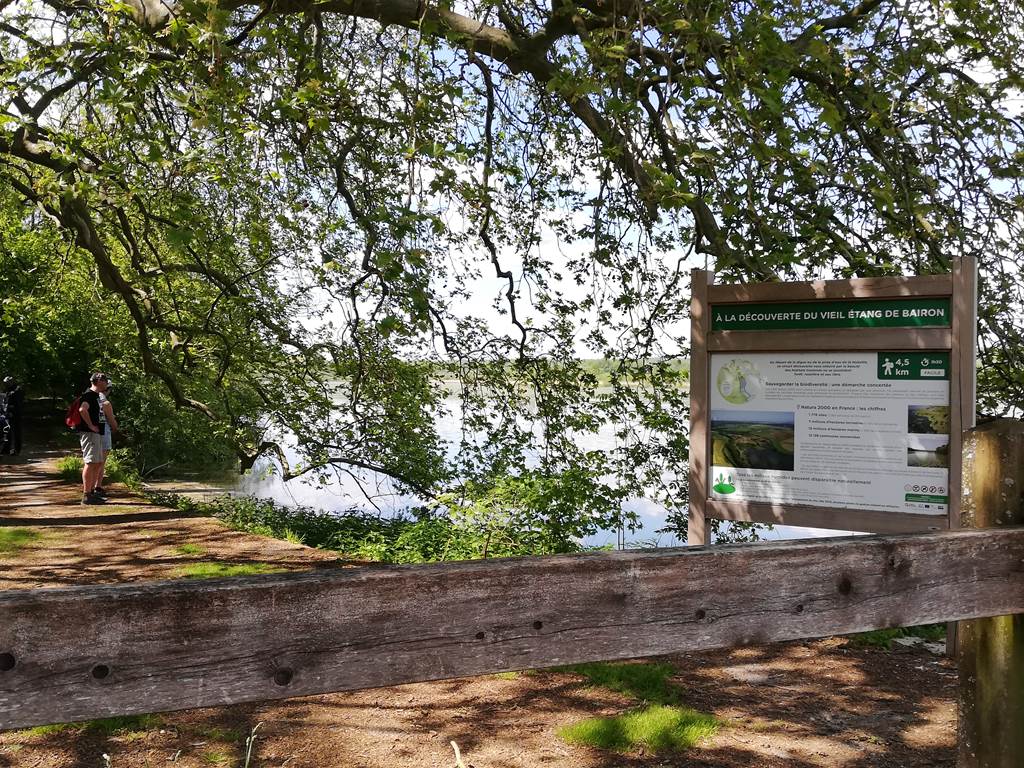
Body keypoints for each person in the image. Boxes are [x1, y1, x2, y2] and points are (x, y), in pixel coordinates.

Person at [77, 372, 109, 505]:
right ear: (99, 381)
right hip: (90, 434)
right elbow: (82, 410)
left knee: (97, 462)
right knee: (90, 462)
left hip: (97, 434)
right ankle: (86, 495)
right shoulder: (88, 395)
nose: (107, 383)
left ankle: (91, 493)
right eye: (105, 380)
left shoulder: (96, 396)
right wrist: (90, 425)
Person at [96, 382, 119, 497]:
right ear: (108, 390)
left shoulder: (88, 398)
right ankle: (98, 487)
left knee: (90, 462)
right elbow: (112, 422)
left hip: (89, 433)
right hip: (103, 432)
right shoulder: (105, 403)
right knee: (101, 461)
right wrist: (116, 430)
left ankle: (89, 489)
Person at [1, 376, 23, 455]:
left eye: (7, 383)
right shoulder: (8, 390)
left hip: (16, 414)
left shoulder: (17, 390)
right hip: (8, 414)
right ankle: (6, 449)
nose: (6, 384)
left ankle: (17, 450)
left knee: (17, 432)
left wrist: (12, 411)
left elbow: (18, 404)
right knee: (7, 431)